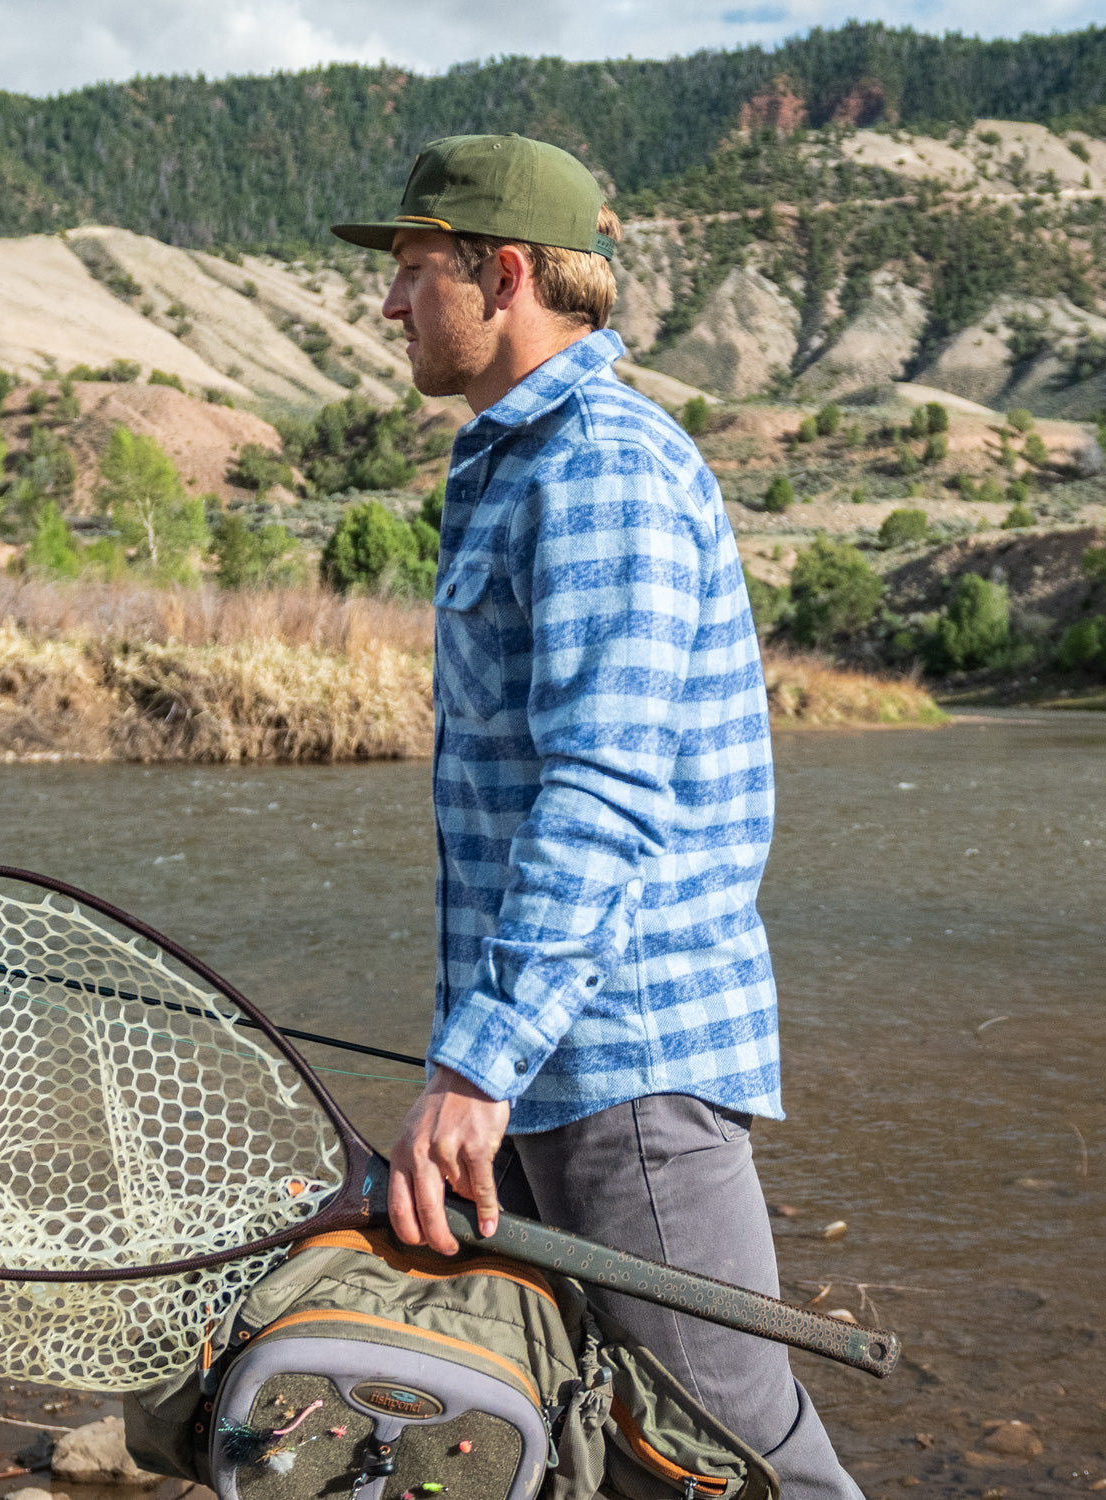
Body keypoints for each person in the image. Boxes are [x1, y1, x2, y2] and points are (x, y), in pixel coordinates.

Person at [331, 133, 863, 1499]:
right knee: (620, 1458)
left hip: (624, 1074)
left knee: (740, 1459)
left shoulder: (599, 468)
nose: (390, 305)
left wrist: (471, 1070)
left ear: (502, 273)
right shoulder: (522, 462)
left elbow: (604, 792)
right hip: (567, 1070)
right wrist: (487, 1065)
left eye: (411, 269)